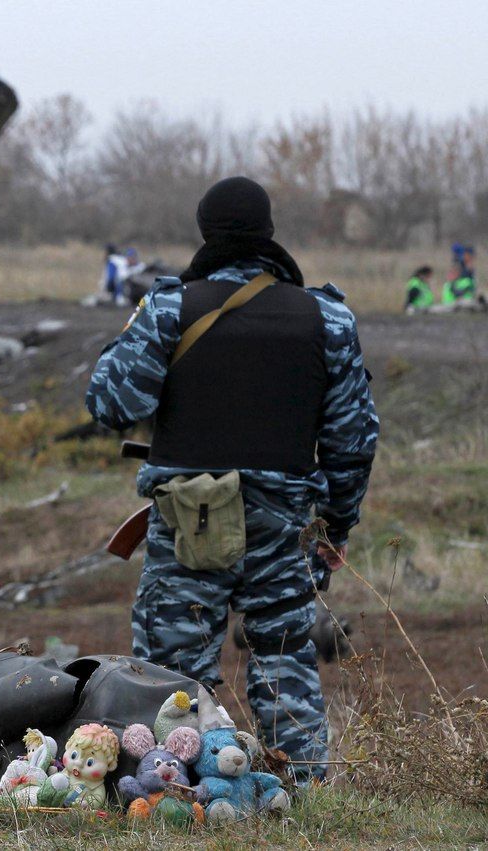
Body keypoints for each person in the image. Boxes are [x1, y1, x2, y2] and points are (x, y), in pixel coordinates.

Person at [85, 176, 378, 783]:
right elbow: (353, 439)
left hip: (190, 520)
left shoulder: (171, 308)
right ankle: (299, 791)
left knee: (171, 673)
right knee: (283, 656)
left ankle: (168, 790)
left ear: (205, 232)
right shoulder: (327, 318)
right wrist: (336, 524)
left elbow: (110, 402)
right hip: (285, 522)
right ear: (268, 231)